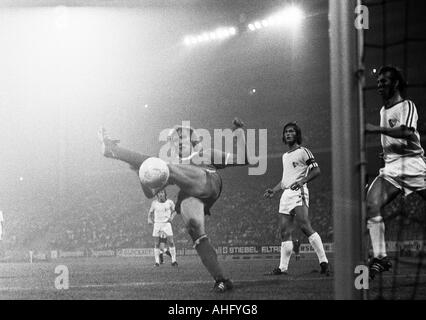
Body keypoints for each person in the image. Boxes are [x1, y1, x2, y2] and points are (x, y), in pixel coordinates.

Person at [98, 118, 248, 292]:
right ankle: (221, 280)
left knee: (163, 166)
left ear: (192, 139)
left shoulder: (206, 154)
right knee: (194, 229)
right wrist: (143, 174)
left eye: (182, 137)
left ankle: (113, 150)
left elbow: (245, 159)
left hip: (207, 181)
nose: (178, 142)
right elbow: (150, 194)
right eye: (174, 141)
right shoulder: (171, 170)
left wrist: (239, 133)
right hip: (191, 193)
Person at [365, 66, 426, 279]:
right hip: (392, 168)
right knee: (371, 203)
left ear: (396, 83)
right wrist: (386, 152)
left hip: (414, 166)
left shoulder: (407, 105)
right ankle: (381, 257)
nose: (379, 84)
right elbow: (392, 139)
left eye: (384, 81)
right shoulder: (383, 111)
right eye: (378, 81)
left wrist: (376, 129)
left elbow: (407, 131)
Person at [264, 122, 329, 276]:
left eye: (291, 131)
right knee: (284, 232)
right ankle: (282, 268)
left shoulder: (303, 151)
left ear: (296, 134)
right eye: (286, 132)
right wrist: (274, 190)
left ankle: (324, 262)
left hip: (298, 192)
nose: (288, 134)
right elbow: (285, 179)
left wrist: (302, 181)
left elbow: (317, 170)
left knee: (305, 227)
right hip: (286, 194)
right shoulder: (285, 156)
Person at [147, 189, 178, 267]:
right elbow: (150, 213)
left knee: (171, 242)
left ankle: (174, 261)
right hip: (157, 224)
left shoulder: (170, 202)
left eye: (162, 193)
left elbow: (175, 211)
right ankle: (157, 262)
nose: (160, 194)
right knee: (157, 244)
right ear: (157, 195)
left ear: (165, 194)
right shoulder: (154, 203)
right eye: (159, 193)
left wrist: (171, 217)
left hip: (166, 224)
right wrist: (149, 219)